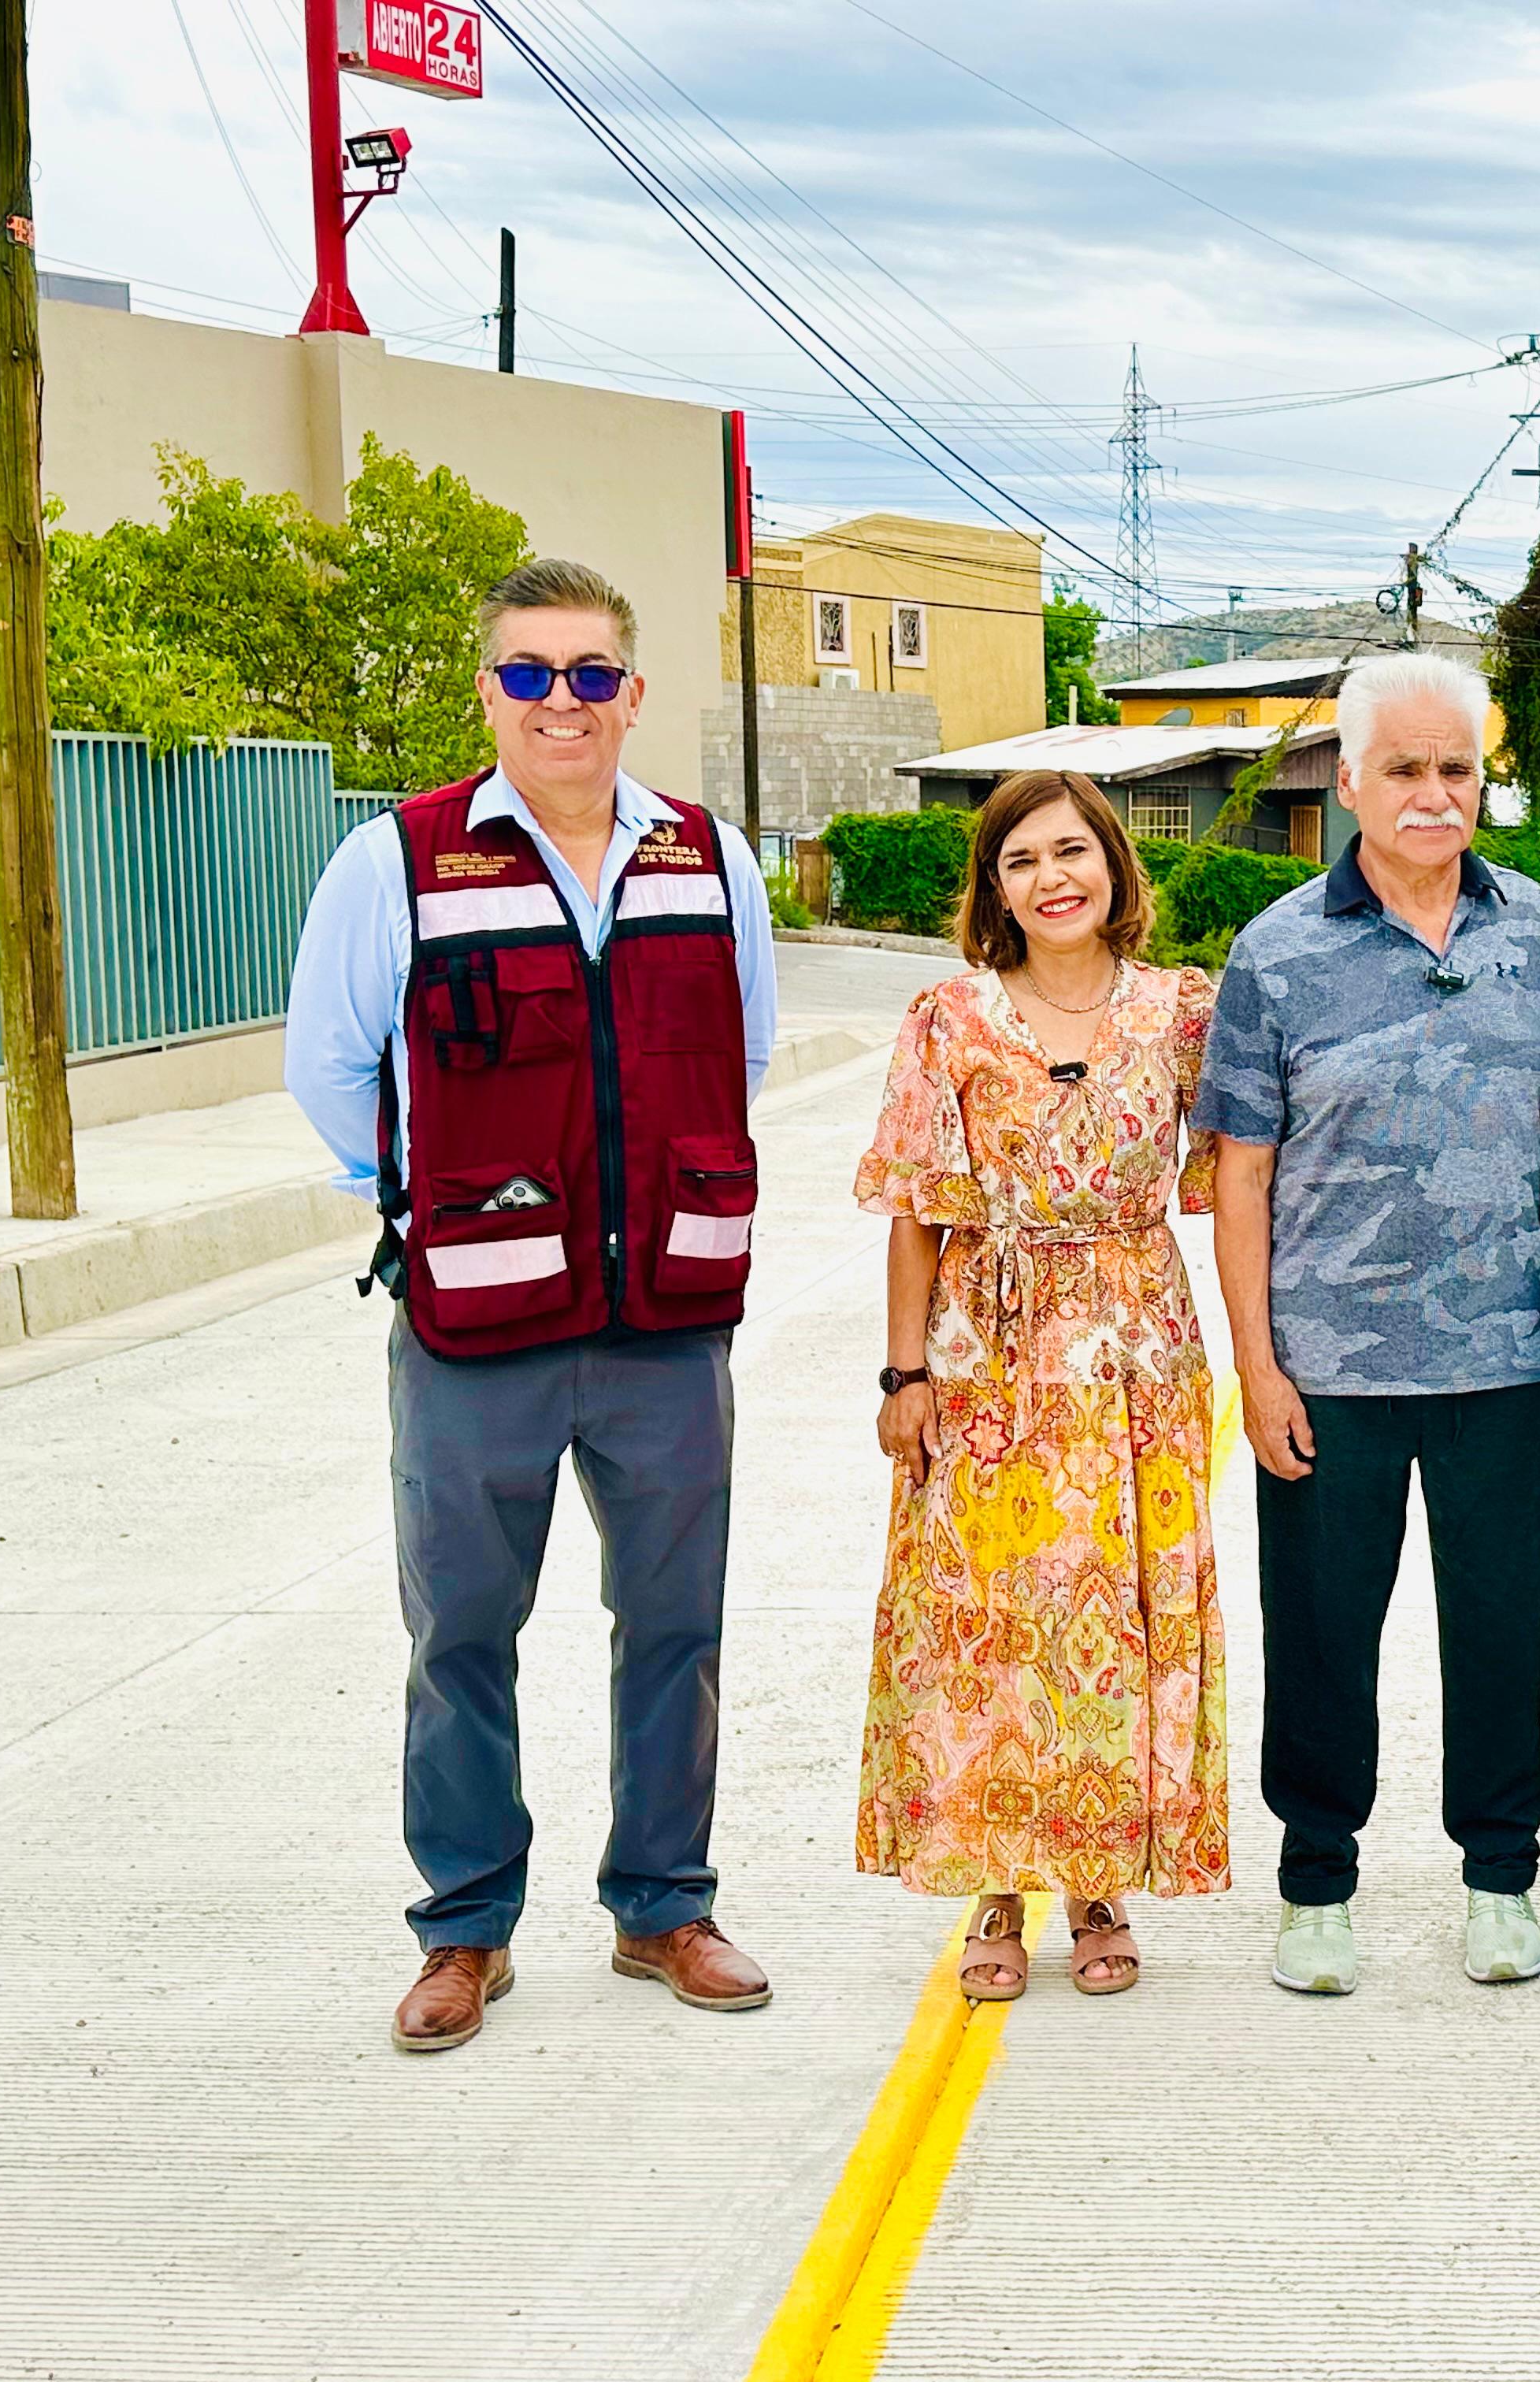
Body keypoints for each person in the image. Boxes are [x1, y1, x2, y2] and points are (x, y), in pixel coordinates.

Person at [285, 556, 781, 2053]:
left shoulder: (713, 857)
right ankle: (465, 1929)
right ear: (488, 691)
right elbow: (331, 1071)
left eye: (587, 675)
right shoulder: (396, 862)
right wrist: (447, 1199)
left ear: (631, 694)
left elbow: (738, 1057)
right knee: (461, 1636)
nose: (558, 702)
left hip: (666, 1331)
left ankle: (662, 1908)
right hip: (474, 1331)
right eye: (527, 673)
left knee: (676, 1624)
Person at [1194, 653, 1540, 1996]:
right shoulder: (1279, 953)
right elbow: (1240, 1173)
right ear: (1350, 782)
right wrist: (1258, 1365)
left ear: (1483, 784)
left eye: (1454, 768)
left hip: (1502, 1358)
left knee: (1500, 1623)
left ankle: (1502, 1879)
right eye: (1403, 769)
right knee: (1322, 1628)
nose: (1431, 793)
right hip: (1329, 1369)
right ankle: (1317, 1886)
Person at [854, 771, 1227, 2000]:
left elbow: (1249, 1165)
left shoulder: (1184, 1013)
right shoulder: (949, 1019)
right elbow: (916, 1211)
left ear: (1115, 866)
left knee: (1114, 1620)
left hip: (1136, 1351)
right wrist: (905, 1372)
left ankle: (1100, 1879)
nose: (1051, 878)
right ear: (993, 888)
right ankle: (996, 1888)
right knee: (989, 1616)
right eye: (1021, 861)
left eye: (1072, 851)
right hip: (986, 1350)